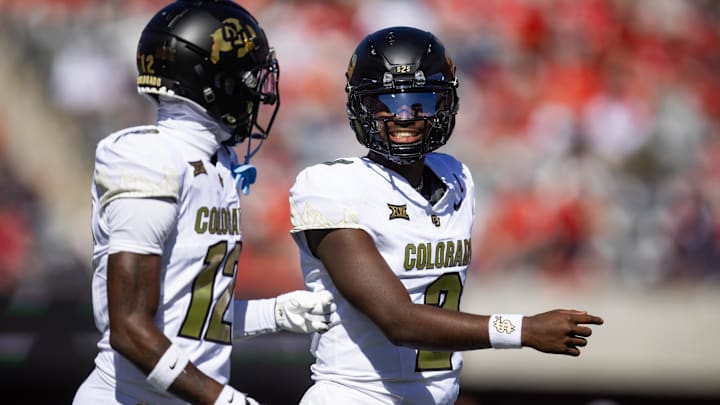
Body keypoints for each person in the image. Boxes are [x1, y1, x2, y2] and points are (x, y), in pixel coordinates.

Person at [288, 26, 604, 404]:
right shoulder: (331, 186)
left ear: (443, 104)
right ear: (363, 106)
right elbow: (398, 320)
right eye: (386, 102)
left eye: (419, 100)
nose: (403, 115)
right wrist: (522, 329)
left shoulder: (456, 178)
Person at [72, 1, 336, 404]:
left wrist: (276, 313)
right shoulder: (151, 157)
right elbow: (129, 330)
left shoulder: (216, 164)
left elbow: (191, 319)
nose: (258, 91)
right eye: (248, 76)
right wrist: (223, 400)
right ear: (213, 80)